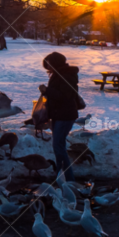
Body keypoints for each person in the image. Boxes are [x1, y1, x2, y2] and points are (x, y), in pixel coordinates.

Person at [39, 52, 81, 181]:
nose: (48, 69)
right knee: (58, 145)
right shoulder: (60, 75)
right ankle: (62, 177)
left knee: (58, 146)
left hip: (65, 115)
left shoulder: (67, 76)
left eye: (50, 65)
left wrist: (47, 91)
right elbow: (58, 96)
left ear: (55, 63)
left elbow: (65, 97)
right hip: (59, 115)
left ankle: (67, 179)